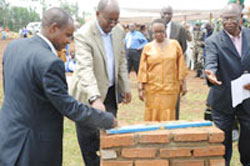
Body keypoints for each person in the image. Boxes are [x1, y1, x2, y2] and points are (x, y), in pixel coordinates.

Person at [0, 7, 117, 166]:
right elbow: (69, 107)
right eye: (68, 35)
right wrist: (106, 119)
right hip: (34, 147)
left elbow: (10, 90)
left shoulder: (14, 47)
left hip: (8, 135)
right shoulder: (50, 62)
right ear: (53, 28)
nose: (69, 41)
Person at [68, 0, 131, 165]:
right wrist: (94, 98)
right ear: (97, 14)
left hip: (109, 92)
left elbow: (121, 59)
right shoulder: (84, 34)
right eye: (109, 19)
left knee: (109, 137)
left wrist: (125, 86)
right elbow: (85, 69)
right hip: (87, 95)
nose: (113, 24)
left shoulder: (118, 31)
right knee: (89, 143)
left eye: (116, 20)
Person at [205, 3, 250, 166]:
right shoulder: (213, 41)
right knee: (223, 141)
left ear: (241, 19)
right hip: (223, 97)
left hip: (247, 97)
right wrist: (210, 72)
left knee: (248, 141)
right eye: (225, 18)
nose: (228, 22)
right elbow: (210, 60)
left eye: (232, 18)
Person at [137, 19, 188, 121]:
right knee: (152, 115)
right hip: (152, 89)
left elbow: (181, 66)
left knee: (168, 115)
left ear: (165, 31)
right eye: (155, 32)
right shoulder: (148, 47)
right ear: (152, 32)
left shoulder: (175, 45)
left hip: (170, 89)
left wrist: (184, 84)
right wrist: (140, 88)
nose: (158, 34)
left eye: (161, 31)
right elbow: (143, 69)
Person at [160, 6, 188, 120]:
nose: (167, 16)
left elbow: (183, 47)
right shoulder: (154, 26)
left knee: (174, 99)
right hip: (157, 71)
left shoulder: (179, 28)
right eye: (164, 13)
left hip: (174, 71)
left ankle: (174, 122)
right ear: (160, 14)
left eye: (169, 13)